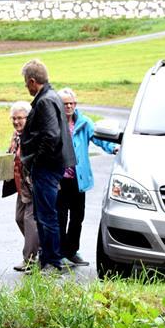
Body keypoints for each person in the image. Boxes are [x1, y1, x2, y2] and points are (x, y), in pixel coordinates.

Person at [19, 59, 75, 272]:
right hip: (52, 165)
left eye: (26, 82)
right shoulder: (53, 96)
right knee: (45, 214)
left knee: (46, 216)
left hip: (47, 167)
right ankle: (48, 260)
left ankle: (52, 261)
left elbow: (51, 135)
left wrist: (35, 160)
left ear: (33, 81)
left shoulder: (44, 101)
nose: (26, 86)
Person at [56, 87, 118, 266]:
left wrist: (113, 147)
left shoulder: (84, 122)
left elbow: (99, 138)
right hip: (59, 180)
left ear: (75, 104)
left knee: (77, 218)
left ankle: (72, 251)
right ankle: (59, 253)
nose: (69, 106)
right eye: (65, 104)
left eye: (71, 103)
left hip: (78, 179)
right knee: (60, 218)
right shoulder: (54, 123)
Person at [7, 101, 39, 272]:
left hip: (34, 185)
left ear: (29, 118)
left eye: (20, 118)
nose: (16, 121)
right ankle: (39, 248)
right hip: (21, 186)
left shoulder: (33, 135)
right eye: (14, 118)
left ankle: (30, 259)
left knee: (29, 220)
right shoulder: (16, 135)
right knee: (19, 218)